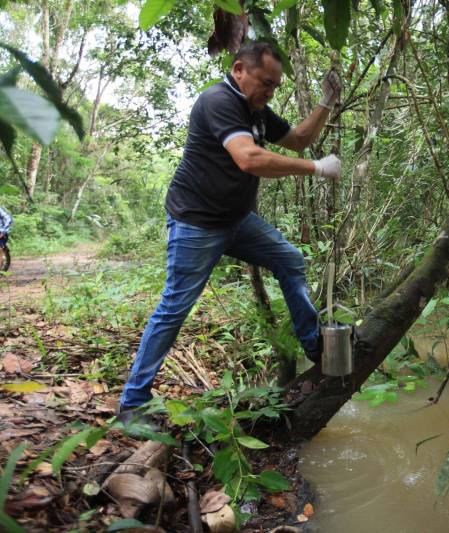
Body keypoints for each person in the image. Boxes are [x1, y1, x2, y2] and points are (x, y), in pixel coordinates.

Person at [116, 41, 341, 427]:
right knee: (174, 308)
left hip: (236, 221)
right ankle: (132, 404)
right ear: (239, 69)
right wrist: (316, 169)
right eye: (264, 83)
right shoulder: (218, 101)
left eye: (274, 87)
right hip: (196, 222)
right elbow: (249, 158)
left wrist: (327, 100)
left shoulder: (256, 110)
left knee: (290, 259)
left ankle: (316, 345)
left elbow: (299, 139)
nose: (269, 92)